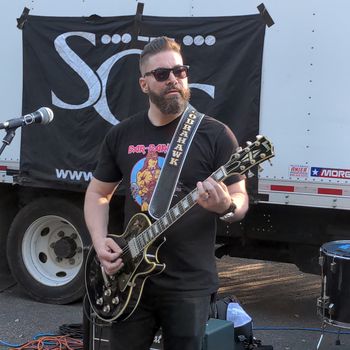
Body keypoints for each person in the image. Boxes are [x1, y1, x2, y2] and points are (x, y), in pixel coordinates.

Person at [84, 36, 249, 350]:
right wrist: (99, 239)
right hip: (130, 278)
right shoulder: (122, 134)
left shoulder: (214, 134)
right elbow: (97, 193)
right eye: (162, 74)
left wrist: (226, 204)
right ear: (144, 84)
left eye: (180, 71)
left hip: (189, 284)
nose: (173, 79)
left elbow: (240, 199)